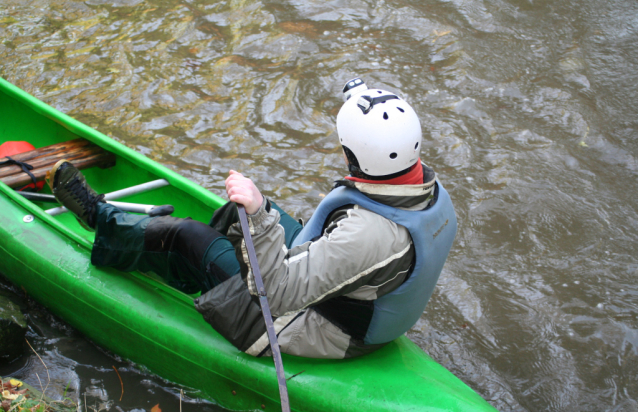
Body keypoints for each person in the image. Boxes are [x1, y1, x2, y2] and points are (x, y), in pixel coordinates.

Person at [47, 78, 457, 359]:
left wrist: (261, 216)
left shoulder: (368, 235)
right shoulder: (426, 191)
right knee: (231, 214)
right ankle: (200, 272)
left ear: (356, 157)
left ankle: (99, 218)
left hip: (320, 328)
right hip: (359, 296)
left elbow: (274, 296)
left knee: (188, 237)